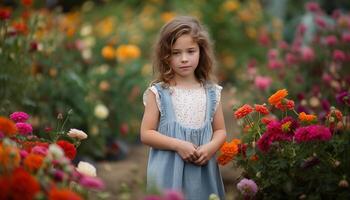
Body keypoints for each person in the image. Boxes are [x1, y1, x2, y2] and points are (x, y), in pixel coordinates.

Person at [140, 16, 226, 200]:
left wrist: (211, 147)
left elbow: (220, 130)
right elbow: (146, 133)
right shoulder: (159, 93)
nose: (184, 59)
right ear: (165, 55)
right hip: (167, 175)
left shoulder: (211, 92)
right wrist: (178, 145)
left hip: (204, 174)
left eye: (190, 51)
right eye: (176, 53)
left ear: (201, 51)